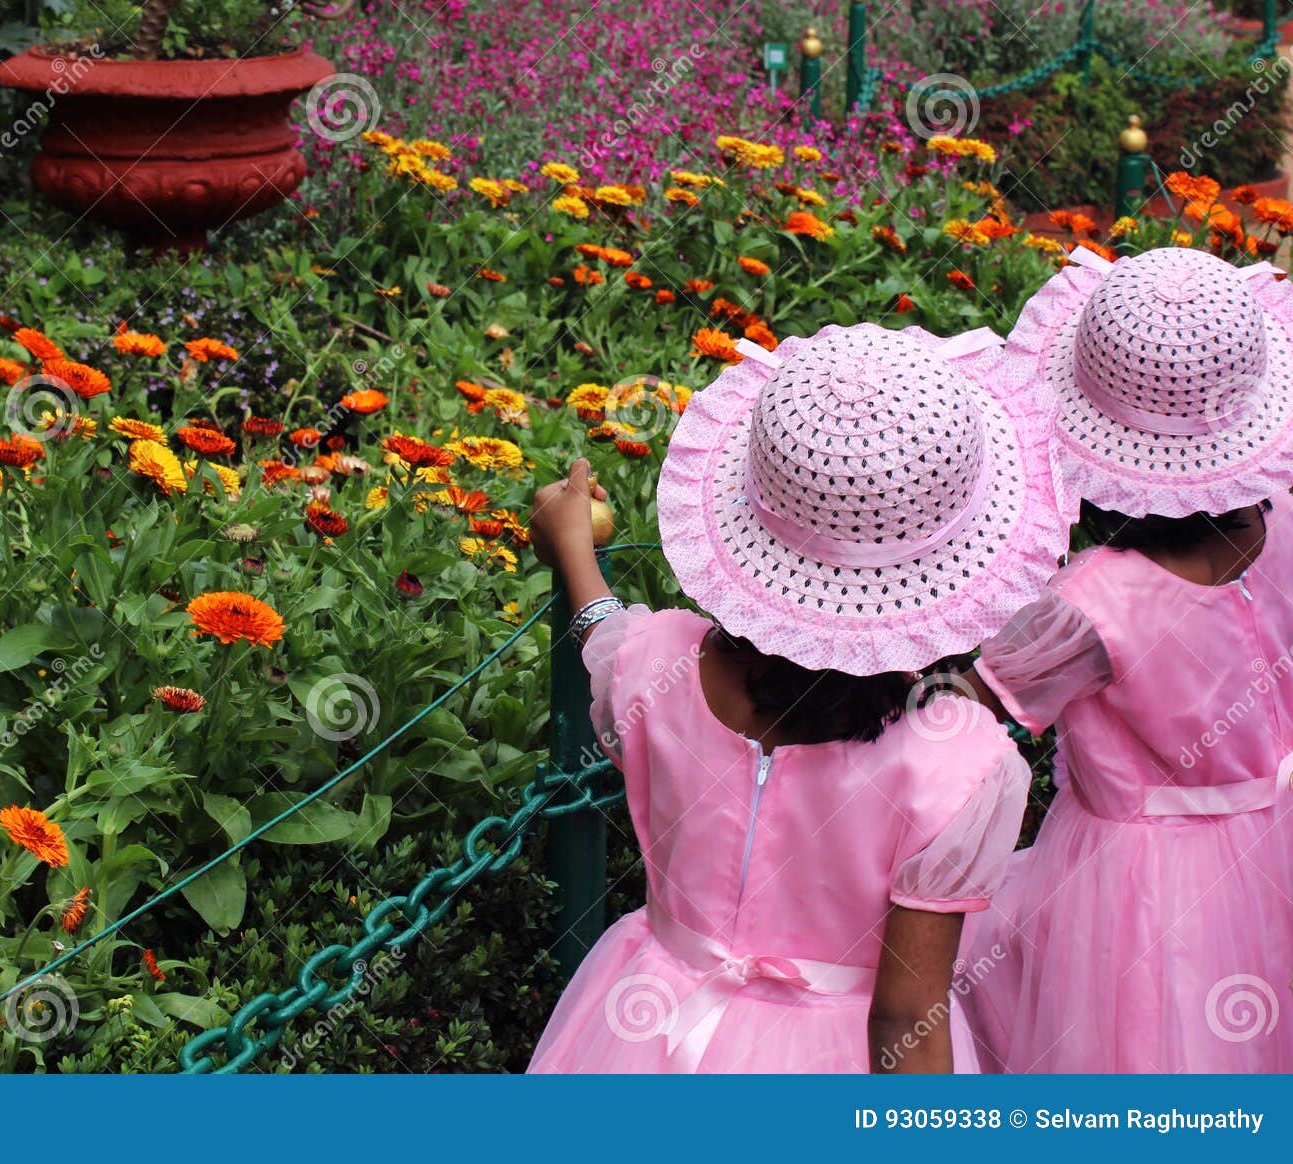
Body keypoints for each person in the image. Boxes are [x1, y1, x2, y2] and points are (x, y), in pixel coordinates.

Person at [525, 322, 1069, 1073]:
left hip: (641, 1025)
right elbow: (905, 1016)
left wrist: (573, 549)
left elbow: (603, 637)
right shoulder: (959, 768)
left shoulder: (660, 666)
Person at [958, 245, 1293, 1073]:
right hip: (1273, 839)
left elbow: (969, 709)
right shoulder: (1283, 520)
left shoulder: (1092, 603)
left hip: (1138, 888)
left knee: (1148, 1052)